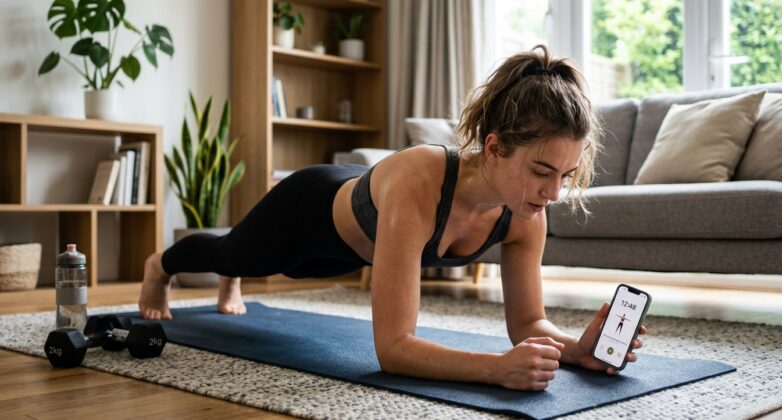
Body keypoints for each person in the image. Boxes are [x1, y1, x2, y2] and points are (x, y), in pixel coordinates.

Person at [139, 44, 647, 391]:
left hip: (345, 254)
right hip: (307, 211)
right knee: (233, 254)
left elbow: (528, 324)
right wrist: (495, 370)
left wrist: (578, 349)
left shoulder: (525, 216)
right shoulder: (421, 180)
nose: (554, 192)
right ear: (494, 147)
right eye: (542, 171)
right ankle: (160, 265)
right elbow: (393, 348)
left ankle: (234, 280)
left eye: (566, 174)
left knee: (266, 265)